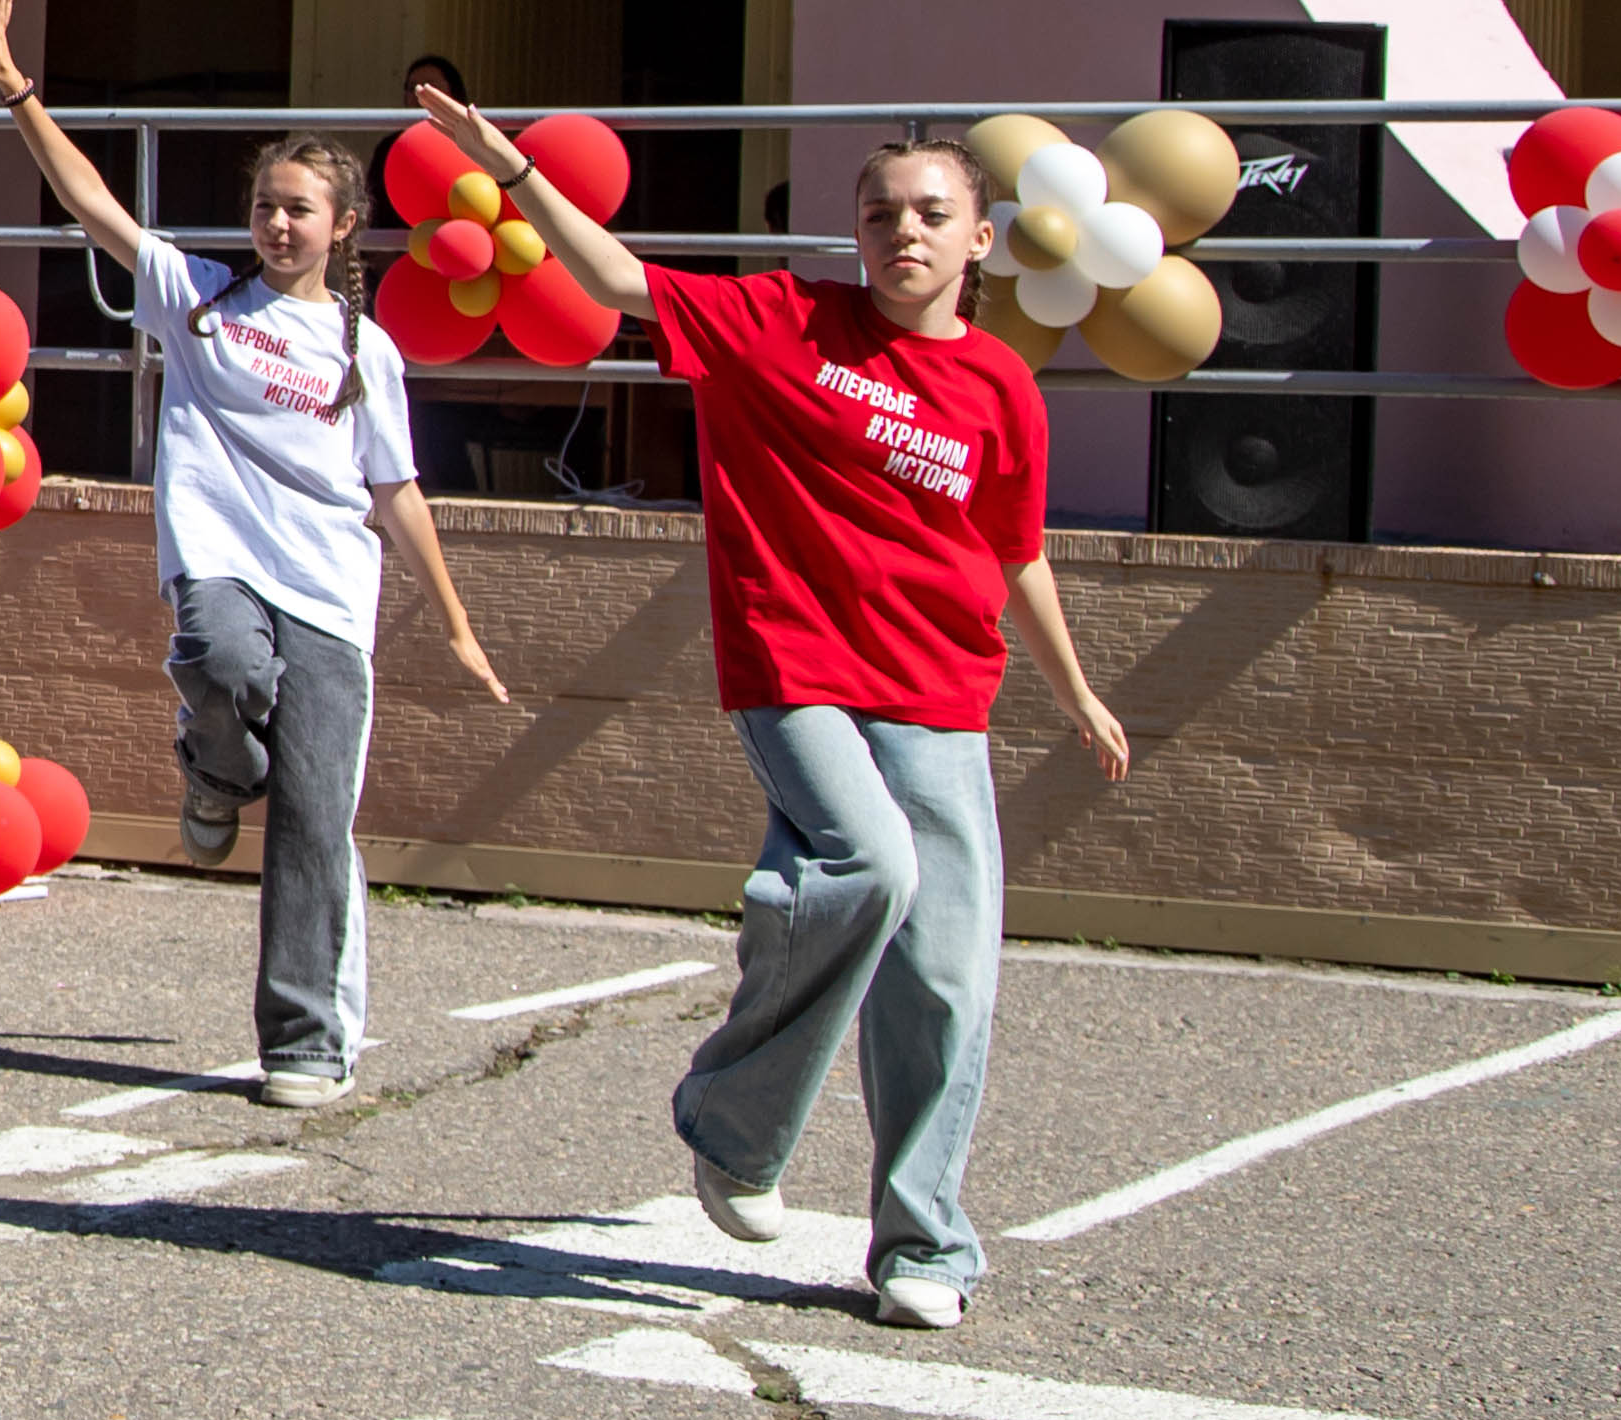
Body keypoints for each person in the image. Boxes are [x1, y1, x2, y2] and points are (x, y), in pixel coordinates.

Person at [427, 83, 1132, 1333]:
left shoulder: (1001, 389)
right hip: (796, 669)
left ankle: (924, 1247)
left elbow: (1014, 549)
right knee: (866, 868)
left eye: (928, 214)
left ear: (979, 239)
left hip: (940, 687)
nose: (899, 234)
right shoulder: (778, 321)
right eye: (877, 215)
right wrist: (514, 170)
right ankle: (736, 1125)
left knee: (947, 976)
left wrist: (1074, 685)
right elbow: (618, 282)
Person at [0, 0, 506, 1111]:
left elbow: (398, 492)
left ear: (342, 226)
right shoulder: (201, 301)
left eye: (300, 211)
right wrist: (19, 92)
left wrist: (457, 625)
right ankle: (217, 766)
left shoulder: (366, 353)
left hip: (332, 591)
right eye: (266, 205)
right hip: (221, 563)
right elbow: (94, 209)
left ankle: (306, 1040)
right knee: (221, 660)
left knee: (318, 824)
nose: (278, 225)